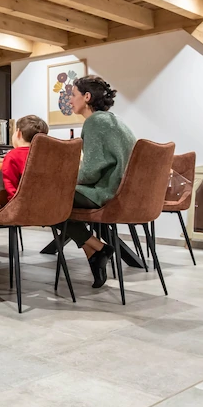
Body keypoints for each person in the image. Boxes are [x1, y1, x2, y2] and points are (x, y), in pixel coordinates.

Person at [69, 75, 135, 289]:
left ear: (87, 97)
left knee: (45, 199)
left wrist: (65, 180)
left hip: (106, 193)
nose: (70, 100)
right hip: (123, 192)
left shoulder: (95, 122)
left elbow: (90, 173)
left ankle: (99, 247)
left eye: (73, 95)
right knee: (54, 201)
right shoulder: (115, 121)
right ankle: (94, 251)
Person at [1, 114, 48, 200]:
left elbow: (10, 186)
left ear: (18, 133)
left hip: (23, 204)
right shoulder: (48, 155)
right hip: (49, 203)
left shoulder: (12, 156)